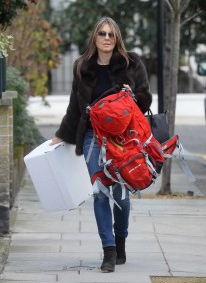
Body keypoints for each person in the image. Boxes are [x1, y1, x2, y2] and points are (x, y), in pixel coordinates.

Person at [50, 16, 152, 272]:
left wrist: (133, 95)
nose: (107, 38)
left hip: (122, 139)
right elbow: (75, 106)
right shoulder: (82, 66)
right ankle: (108, 250)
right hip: (92, 138)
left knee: (120, 194)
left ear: (117, 38)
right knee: (99, 191)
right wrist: (62, 134)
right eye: (102, 34)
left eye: (111, 34)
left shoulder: (132, 62)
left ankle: (120, 240)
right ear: (94, 37)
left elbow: (146, 100)